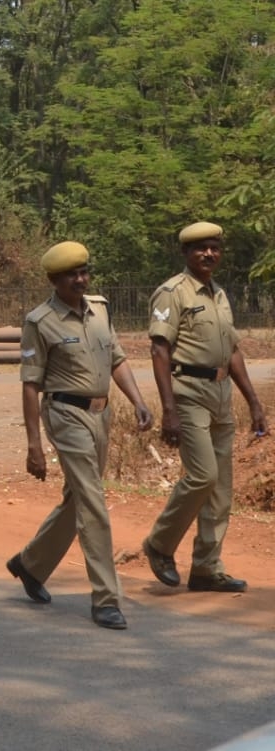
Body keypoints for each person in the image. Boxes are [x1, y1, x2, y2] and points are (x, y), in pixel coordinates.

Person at [9, 241, 154, 629]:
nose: (80, 279)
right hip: (65, 414)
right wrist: (34, 443)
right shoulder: (40, 322)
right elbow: (29, 385)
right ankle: (105, 598)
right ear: (54, 280)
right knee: (93, 502)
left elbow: (118, 358)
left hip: (100, 413)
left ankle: (30, 563)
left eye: (84, 272)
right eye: (72, 274)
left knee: (78, 497)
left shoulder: (100, 309)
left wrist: (138, 401)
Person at [142, 222, 268, 594]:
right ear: (185, 253)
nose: (209, 254)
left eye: (214, 248)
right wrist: (168, 410)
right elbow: (159, 350)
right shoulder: (172, 293)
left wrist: (255, 402)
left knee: (221, 487)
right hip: (187, 392)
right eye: (200, 249)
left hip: (220, 393)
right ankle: (160, 545)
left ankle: (206, 568)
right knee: (202, 476)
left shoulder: (221, 295)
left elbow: (233, 351)